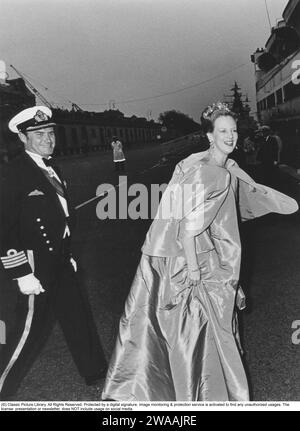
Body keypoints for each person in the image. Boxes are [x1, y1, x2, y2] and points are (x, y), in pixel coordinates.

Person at [101, 102, 298, 402]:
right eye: (223, 131)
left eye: (233, 130)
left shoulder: (197, 163)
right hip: (196, 261)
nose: (231, 137)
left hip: (175, 257)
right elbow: (189, 229)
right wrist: (195, 270)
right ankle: (209, 396)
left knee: (179, 333)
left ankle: (180, 392)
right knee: (205, 335)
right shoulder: (215, 174)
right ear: (210, 135)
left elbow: (179, 215)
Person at [0, 106, 107, 400]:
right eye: (38, 134)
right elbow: (3, 228)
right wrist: (21, 273)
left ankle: (95, 372)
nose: (47, 139)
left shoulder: (51, 167)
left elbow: (61, 215)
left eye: (49, 132)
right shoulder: (13, 173)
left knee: (77, 316)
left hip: (59, 257)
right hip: (33, 265)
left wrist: (67, 250)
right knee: (25, 332)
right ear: (22, 137)